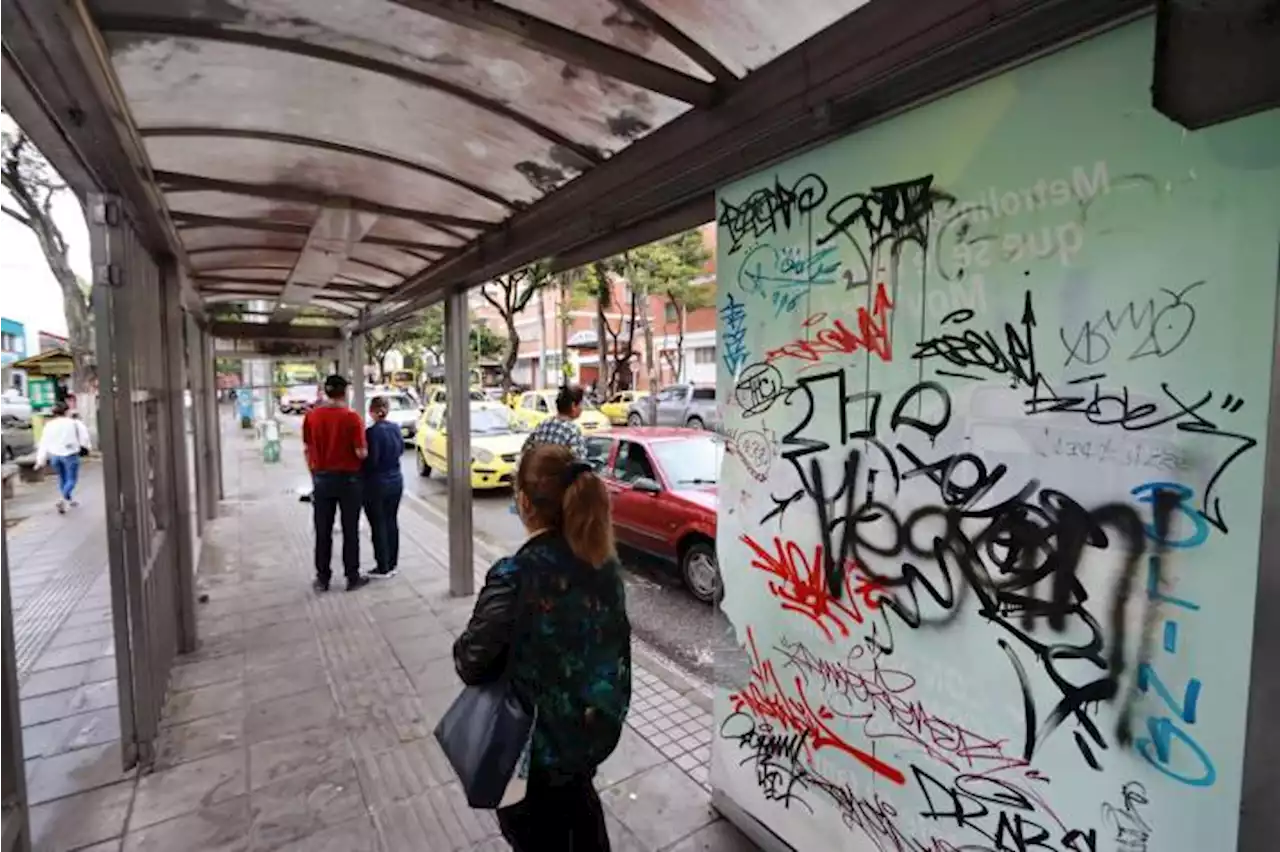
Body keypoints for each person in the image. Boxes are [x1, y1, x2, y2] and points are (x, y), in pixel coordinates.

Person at [454, 445, 630, 852]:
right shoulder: (605, 567)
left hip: (531, 759)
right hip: (586, 743)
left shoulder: (515, 575)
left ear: (524, 503)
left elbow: (471, 662)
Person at [302, 375, 370, 592]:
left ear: (326, 392)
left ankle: (323, 578)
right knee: (350, 530)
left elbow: (307, 447)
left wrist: (315, 473)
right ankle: (352, 576)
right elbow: (361, 453)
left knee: (323, 530)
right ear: (345, 392)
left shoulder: (312, 416)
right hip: (349, 481)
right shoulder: (352, 418)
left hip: (322, 479)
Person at [362, 396, 403, 578]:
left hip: (377, 484)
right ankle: (392, 562)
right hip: (396, 480)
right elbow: (400, 450)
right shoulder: (395, 428)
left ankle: (383, 565)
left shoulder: (371, 432)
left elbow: (372, 460)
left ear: (371, 411)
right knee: (391, 521)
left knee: (378, 524)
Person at [35, 402, 91, 514]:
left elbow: (43, 443)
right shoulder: (75, 423)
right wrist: (86, 448)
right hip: (70, 454)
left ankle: (69, 500)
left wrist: (40, 460)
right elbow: (84, 438)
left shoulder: (49, 425)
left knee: (62, 478)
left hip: (55, 456)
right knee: (71, 479)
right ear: (66, 411)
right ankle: (63, 499)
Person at [520, 384, 587, 461]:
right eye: (581, 404)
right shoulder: (572, 431)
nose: (582, 408)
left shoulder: (542, 425)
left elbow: (525, 451)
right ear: (573, 406)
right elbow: (579, 462)